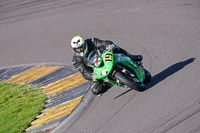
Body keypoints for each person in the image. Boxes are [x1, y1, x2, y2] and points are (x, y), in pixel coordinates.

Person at [71, 35, 143, 96]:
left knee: (115, 47)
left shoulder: (91, 42)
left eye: (81, 47)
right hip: (98, 71)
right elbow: (84, 72)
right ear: (74, 50)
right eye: (77, 49)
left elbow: (104, 43)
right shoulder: (76, 60)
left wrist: (109, 46)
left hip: (104, 57)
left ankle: (131, 57)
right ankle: (109, 83)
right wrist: (92, 76)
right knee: (95, 90)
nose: (80, 50)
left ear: (85, 44)